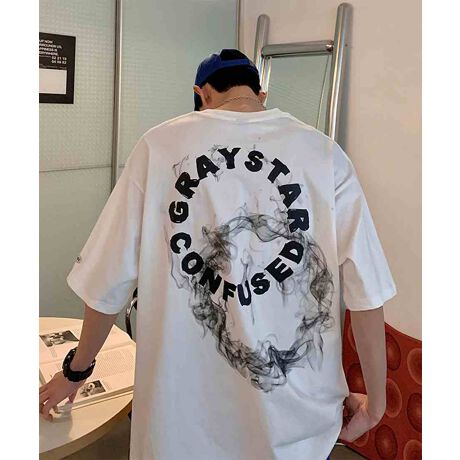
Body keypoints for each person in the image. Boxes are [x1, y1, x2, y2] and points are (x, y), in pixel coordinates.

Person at [39, 49, 396, 460]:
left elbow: (106, 283)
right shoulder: (325, 155)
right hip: (294, 427)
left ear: (202, 94)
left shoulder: (158, 147)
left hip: (181, 425)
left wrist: (76, 371)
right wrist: (376, 405)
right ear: (260, 95)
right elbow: (368, 295)